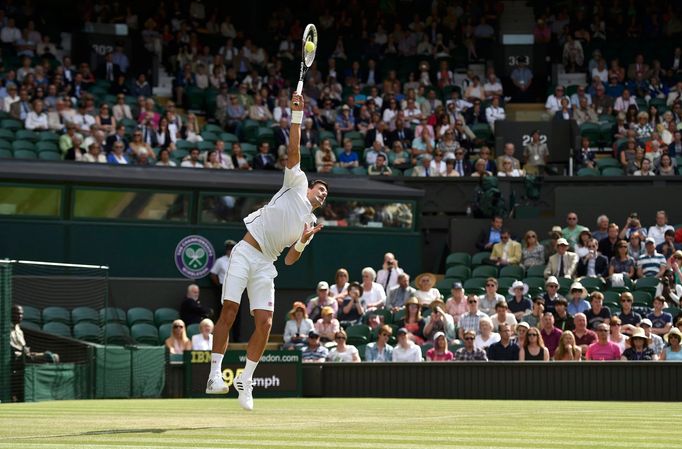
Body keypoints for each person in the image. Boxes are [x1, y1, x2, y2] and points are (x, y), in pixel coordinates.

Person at [206, 93, 329, 412]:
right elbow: (294, 149)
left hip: (266, 264)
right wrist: (297, 115)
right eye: (321, 189)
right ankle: (214, 374)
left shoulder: (311, 223)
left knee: (264, 323)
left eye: (326, 196)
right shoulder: (296, 181)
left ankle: (246, 381)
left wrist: (302, 241)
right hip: (245, 251)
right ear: (311, 186)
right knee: (230, 311)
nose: (323, 195)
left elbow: (290, 259)